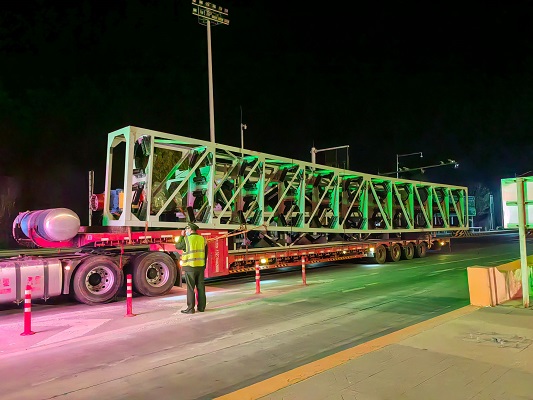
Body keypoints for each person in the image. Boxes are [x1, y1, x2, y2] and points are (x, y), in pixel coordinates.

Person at [176, 222, 207, 314]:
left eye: (186, 229)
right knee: (201, 287)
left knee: (190, 288)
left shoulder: (186, 239)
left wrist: (181, 236)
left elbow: (177, 246)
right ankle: (201, 307)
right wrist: (203, 266)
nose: (186, 231)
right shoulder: (202, 239)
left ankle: (190, 309)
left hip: (190, 267)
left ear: (190, 229)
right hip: (200, 267)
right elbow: (205, 253)